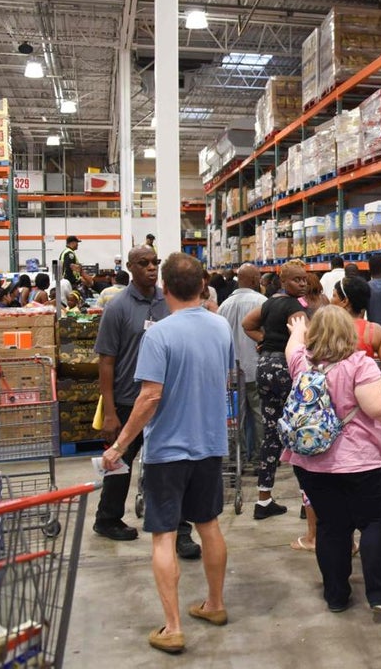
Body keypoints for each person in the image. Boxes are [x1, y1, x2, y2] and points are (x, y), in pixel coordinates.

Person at [101, 253, 233, 655]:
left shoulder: (159, 335)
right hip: (210, 444)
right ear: (202, 286)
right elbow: (222, 379)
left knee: (162, 535)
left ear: (165, 287)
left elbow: (149, 398)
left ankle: (172, 627)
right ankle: (215, 604)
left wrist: (119, 445)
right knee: (208, 524)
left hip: (169, 450)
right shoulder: (220, 326)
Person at [282, 306, 381, 617]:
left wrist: (299, 328)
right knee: (376, 523)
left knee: (331, 526)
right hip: (361, 461)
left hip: (312, 463)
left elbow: (293, 345)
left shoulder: (302, 362)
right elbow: (379, 407)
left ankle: (336, 595)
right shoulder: (360, 364)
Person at [93, 246, 201, 558]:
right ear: (129, 267)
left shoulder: (167, 301)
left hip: (167, 399)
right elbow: (106, 363)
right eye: (143, 263)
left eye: (155, 262)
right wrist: (110, 411)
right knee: (120, 461)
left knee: (174, 465)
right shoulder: (117, 308)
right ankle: (107, 518)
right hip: (130, 399)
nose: (151, 268)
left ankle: (181, 531)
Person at [241, 261, 314, 519]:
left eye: (305, 280)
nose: (303, 284)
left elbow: (247, 324)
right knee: (300, 430)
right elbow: (304, 340)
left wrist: (265, 341)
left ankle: (263, 499)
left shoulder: (269, 303)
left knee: (272, 432)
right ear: (284, 281)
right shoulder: (296, 310)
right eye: (297, 280)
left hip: (264, 367)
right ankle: (309, 503)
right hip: (286, 370)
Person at [217, 264, 267, 464]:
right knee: (259, 415)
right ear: (254, 280)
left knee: (235, 419)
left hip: (231, 370)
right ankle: (260, 459)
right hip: (256, 367)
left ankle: (238, 459)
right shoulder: (262, 302)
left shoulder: (224, 306)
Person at [330, 276, 381, 389]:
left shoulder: (325, 329)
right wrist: (375, 393)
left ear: (345, 301)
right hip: (363, 400)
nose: (330, 300)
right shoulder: (374, 331)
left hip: (332, 400)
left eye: (334, 296)